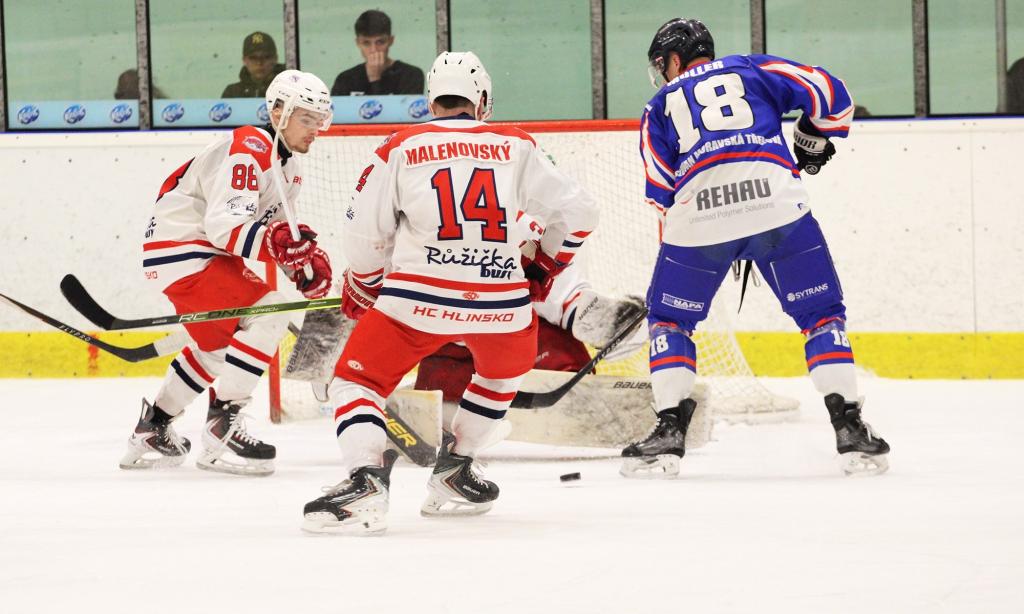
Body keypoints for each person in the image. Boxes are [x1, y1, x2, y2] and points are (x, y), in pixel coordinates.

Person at [302, 51, 598, 534]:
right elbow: (581, 212)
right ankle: (456, 469)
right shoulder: (517, 143)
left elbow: (364, 231)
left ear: (431, 101)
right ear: (482, 102)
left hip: (419, 300)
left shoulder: (400, 145)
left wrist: (365, 282)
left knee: (355, 383)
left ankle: (365, 481)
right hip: (503, 305)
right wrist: (546, 266)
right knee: (502, 373)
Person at [621, 18, 890, 478]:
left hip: (698, 221)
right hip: (776, 208)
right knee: (821, 316)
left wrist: (696, 244)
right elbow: (832, 93)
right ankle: (849, 427)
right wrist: (812, 133)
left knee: (670, 321)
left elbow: (661, 190)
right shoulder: (753, 68)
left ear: (675, 60)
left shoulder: (658, 105)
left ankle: (668, 429)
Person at [123, 69, 335, 476]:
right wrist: (281, 249)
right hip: (187, 250)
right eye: (306, 118)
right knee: (269, 314)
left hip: (201, 254)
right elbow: (225, 228)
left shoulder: (289, 167)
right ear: (278, 112)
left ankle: (153, 428)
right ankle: (223, 426)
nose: (315, 129)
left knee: (218, 350)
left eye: (320, 120)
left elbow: (274, 235)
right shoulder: (250, 146)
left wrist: (301, 268)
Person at [330, 10, 424, 96]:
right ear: (358, 43)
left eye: (380, 42)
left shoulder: (411, 75)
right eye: (366, 43)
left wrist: (375, 79)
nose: (374, 50)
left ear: (391, 41)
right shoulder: (345, 79)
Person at [222, 32, 286, 98]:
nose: (259, 62)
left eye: (266, 57)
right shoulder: (232, 93)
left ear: (275, 59)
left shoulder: (288, 89)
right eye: (253, 58)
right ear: (244, 60)